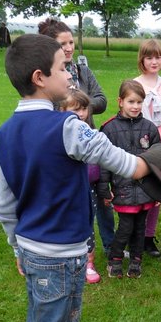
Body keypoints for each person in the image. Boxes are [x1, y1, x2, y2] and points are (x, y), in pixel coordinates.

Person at [0, 33, 161, 322]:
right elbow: (126, 163)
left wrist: (15, 245)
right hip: (61, 258)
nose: (69, 73)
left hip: (36, 253)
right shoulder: (69, 126)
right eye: (62, 68)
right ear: (40, 78)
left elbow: (2, 206)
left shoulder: (4, 132)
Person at [38, 18, 113, 253]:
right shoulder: (47, 77)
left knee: (102, 196)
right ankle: (76, 248)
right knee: (75, 199)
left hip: (88, 141)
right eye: (63, 44)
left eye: (71, 42)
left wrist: (80, 104)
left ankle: (111, 247)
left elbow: (102, 100)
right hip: (60, 146)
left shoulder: (82, 71)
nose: (69, 48)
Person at [97, 80, 161, 278]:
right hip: (122, 189)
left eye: (139, 102)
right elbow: (104, 161)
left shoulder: (149, 128)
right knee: (125, 228)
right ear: (120, 101)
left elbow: (158, 160)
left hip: (145, 190)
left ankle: (136, 260)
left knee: (140, 228)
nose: (135, 106)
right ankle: (115, 260)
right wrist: (104, 188)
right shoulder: (109, 129)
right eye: (131, 101)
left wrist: (158, 188)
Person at [134, 38, 161, 257]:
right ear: (142, 59)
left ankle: (149, 237)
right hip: (138, 145)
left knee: (156, 194)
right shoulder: (135, 84)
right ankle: (135, 234)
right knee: (137, 192)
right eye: (149, 57)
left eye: (158, 57)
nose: (154, 61)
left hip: (159, 145)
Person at [59, 88, 101, 284]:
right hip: (66, 189)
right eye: (74, 109)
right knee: (65, 222)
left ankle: (89, 263)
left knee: (87, 223)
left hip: (88, 187)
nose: (81, 114)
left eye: (84, 108)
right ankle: (65, 262)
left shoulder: (93, 133)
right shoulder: (58, 136)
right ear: (62, 110)